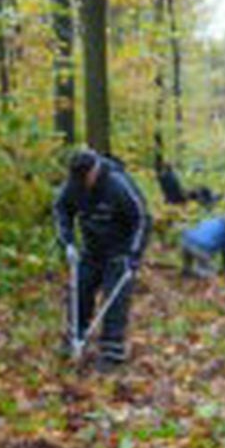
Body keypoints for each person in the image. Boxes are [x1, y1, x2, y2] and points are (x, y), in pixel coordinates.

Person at [53, 148, 151, 369]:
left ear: (95, 170)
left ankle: (111, 352)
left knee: (114, 300)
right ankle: (74, 340)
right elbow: (61, 209)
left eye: (85, 178)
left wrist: (133, 255)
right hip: (91, 249)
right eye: (76, 179)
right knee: (80, 291)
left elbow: (142, 218)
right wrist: (67, 242)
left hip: (119, 252)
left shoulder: (117, 185)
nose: (81, 183)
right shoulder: (73, 185)